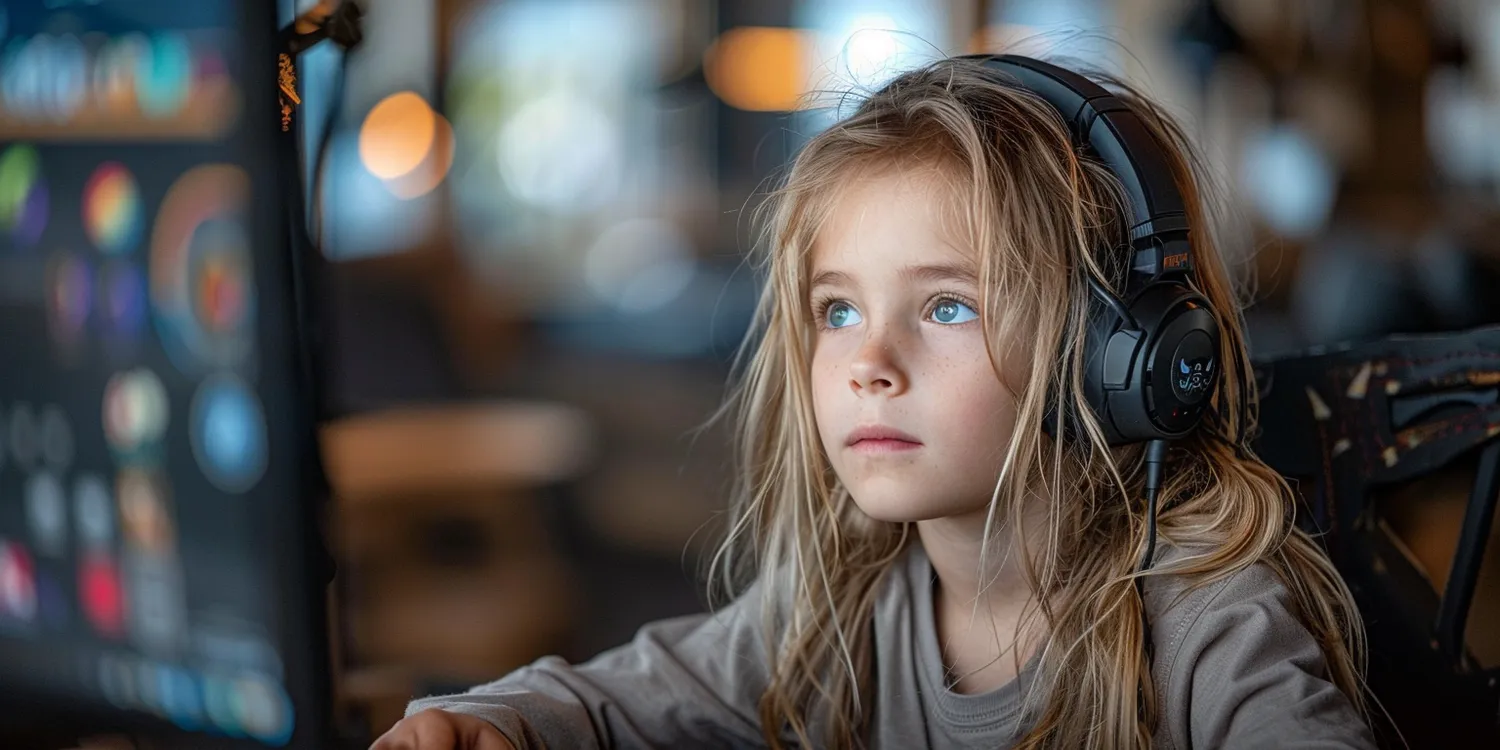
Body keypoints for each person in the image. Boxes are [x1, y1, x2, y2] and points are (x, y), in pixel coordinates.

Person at [370, 55, 1376, 750]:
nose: (870, 362)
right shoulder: (843, 610)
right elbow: (612, 694)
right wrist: (493, 718)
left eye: (945, 305)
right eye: (837, 309)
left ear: (1114, 353)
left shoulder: (1210, 616)